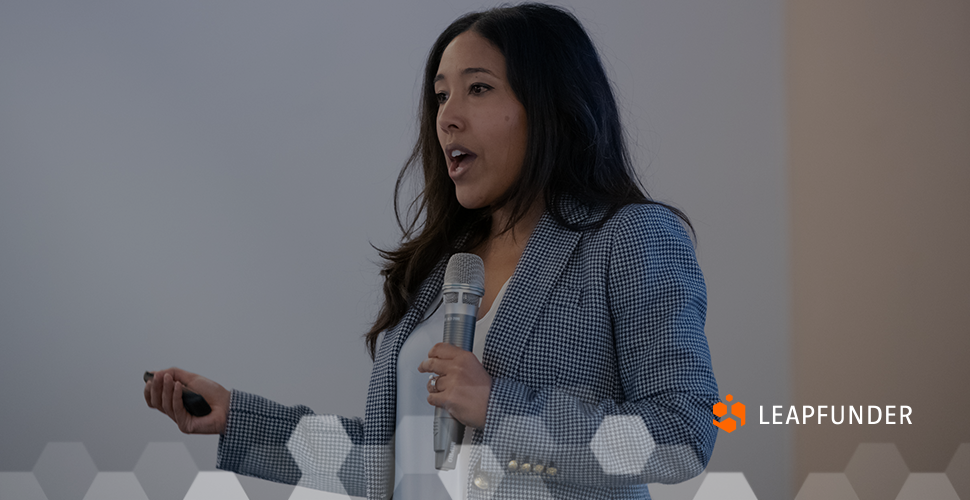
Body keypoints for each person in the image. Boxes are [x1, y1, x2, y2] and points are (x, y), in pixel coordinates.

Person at [144, 4, 718, 499]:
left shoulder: (631, 239)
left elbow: (681, 434)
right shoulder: (447, 266)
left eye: (478, 88)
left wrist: (499, 408)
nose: (447, 115)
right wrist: (239, 419)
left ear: (552, 107)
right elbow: (390, 466)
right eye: (441, 95)